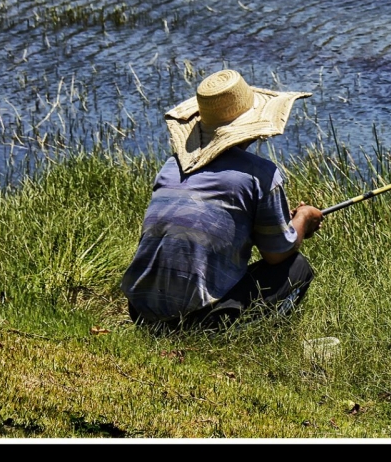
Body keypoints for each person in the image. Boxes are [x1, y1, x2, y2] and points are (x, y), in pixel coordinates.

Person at [121, 69, 324, 331]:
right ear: (252, 126)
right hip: (194, 320)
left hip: (140, 314)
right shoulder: (261, 174)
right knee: (297, 267)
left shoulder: (172, 166)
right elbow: (277, 254)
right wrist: (304, 218)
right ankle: (258, 337)